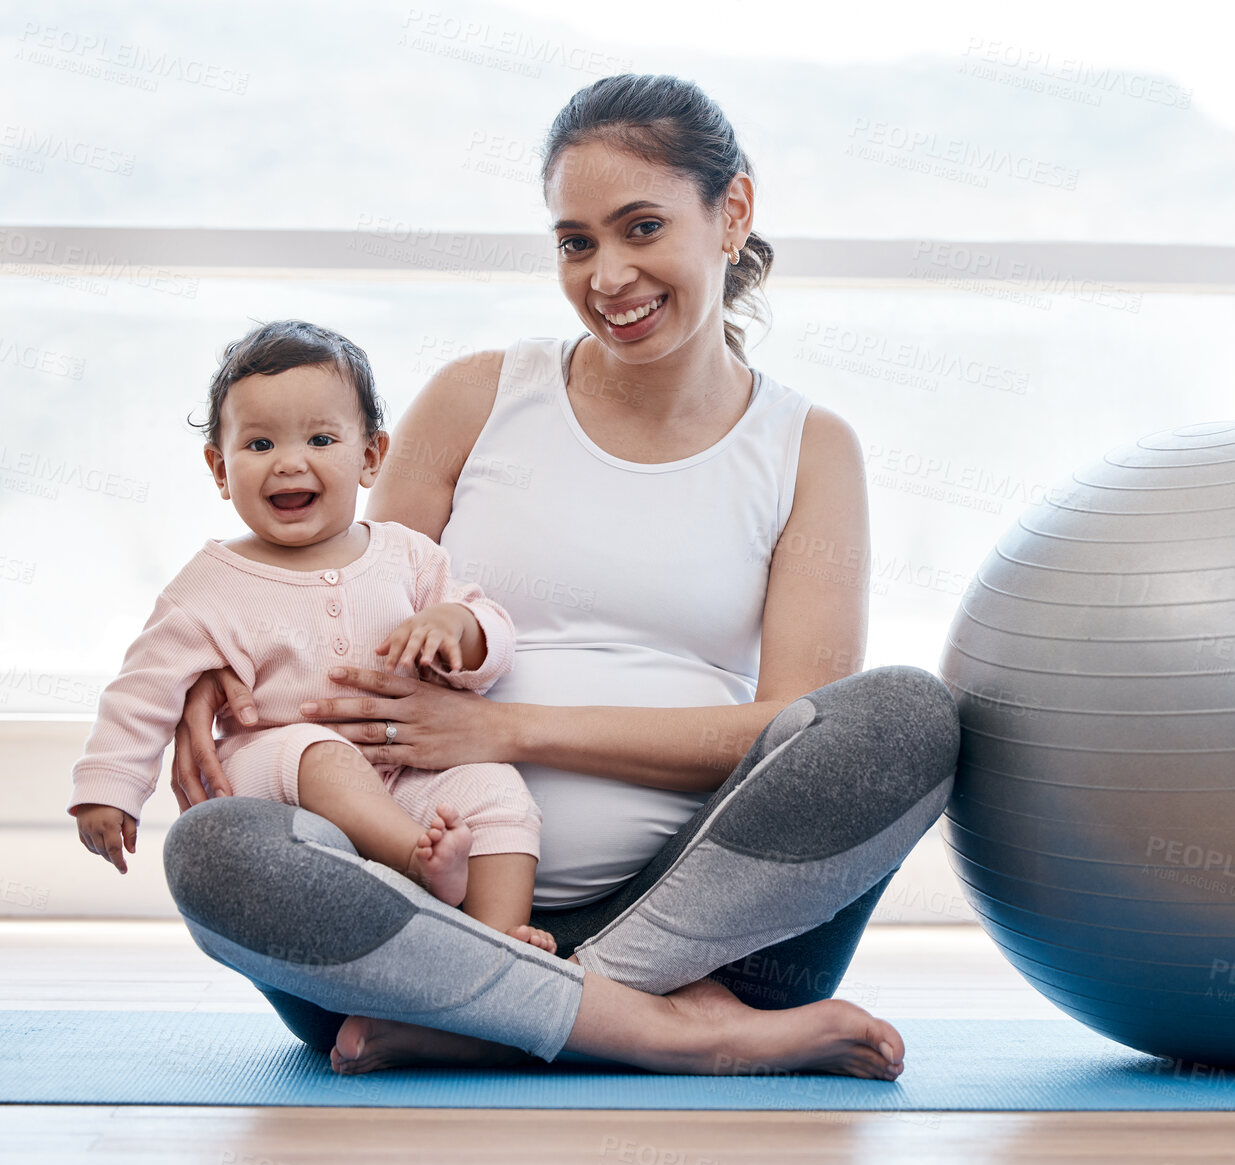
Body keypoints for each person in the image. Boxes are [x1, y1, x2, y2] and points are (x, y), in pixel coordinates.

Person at [160, 72, 961, 1079]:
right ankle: (668, 1030)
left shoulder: (808, 447)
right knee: (214, 850)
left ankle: (495, 1015)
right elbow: (339, 616)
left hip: (709, 936)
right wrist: (211, 670)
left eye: (640, 228)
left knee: (905, 719)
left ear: (733, 213)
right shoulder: (478, 397)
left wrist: (507, 728)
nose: (607, 274)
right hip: (427, 904)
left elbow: (790, 725)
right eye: (576, 241)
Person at [70, 319, 554, 950]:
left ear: (371, 457)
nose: (290, 462)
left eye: (322, 438)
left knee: (495, 789)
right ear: (220, 469)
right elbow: (142, 690)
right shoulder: (211, 581)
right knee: (318, 752)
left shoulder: (407, 556)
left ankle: (502, 946)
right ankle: (417, 861)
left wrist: (457, 629)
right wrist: (107, 790)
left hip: (404, 773)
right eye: (260, 444)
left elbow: (489, 630)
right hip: (279, 765)